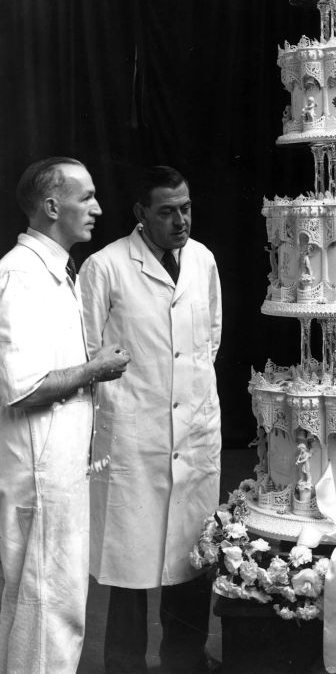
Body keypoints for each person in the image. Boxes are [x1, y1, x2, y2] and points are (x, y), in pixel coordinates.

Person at [80, 166, 222, 674]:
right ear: (140, 214)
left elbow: (209, 342)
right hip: (133, 438)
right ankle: (124, 664)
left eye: (185, 207)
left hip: (195, 429)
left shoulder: (202, 259)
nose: (179, 220)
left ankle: (185, 660)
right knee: (130, 561)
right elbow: (88, 353)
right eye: (166, 211)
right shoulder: (106, 267)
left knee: (191, 556)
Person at [0, 157, 130, 674]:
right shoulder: (20, 276)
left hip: (57, 471)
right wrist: (94, 369)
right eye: (86, 197)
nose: (97, 208)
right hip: (39, 477)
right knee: (45, 608)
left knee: (57, 607)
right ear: (53, 207)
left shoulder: (54, 272)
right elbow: (23, 387)